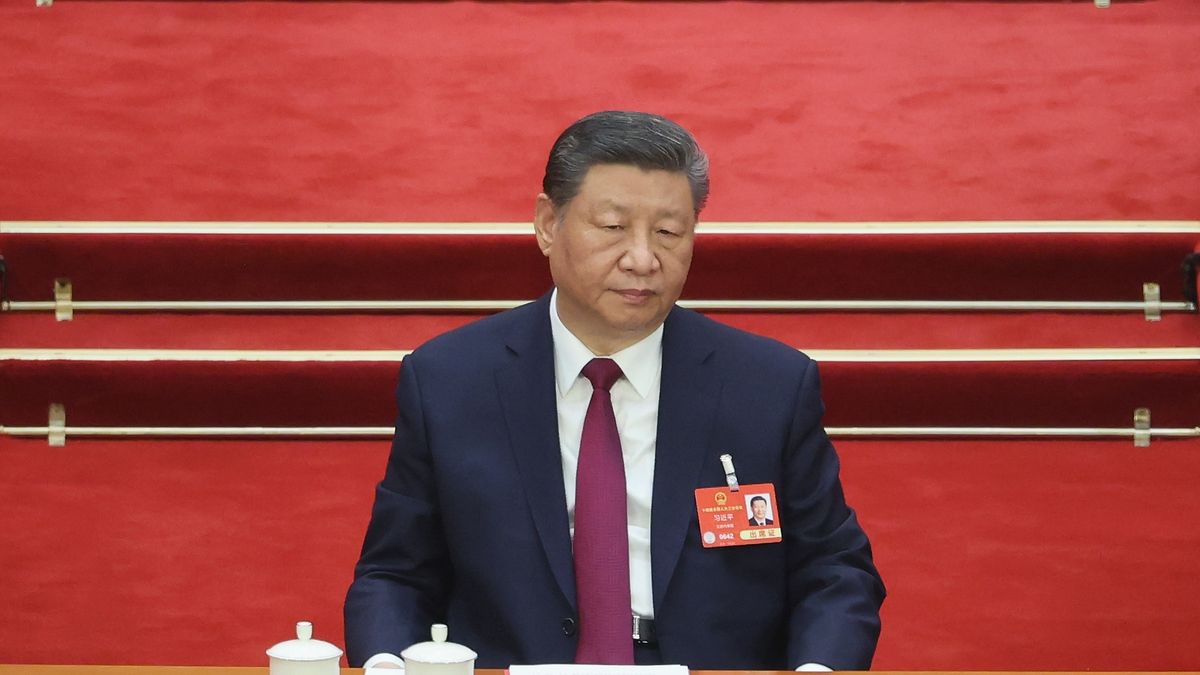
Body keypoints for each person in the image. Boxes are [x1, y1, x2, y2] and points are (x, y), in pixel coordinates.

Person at [344, 111, 885, 671]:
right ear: (548, 224)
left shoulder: (768, 384)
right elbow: (395, 575)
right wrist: (387, 664)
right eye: (612, 227)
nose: (643, 259)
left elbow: (836, 571)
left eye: (669, 232)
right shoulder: (450, 380)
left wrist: (819, 668)